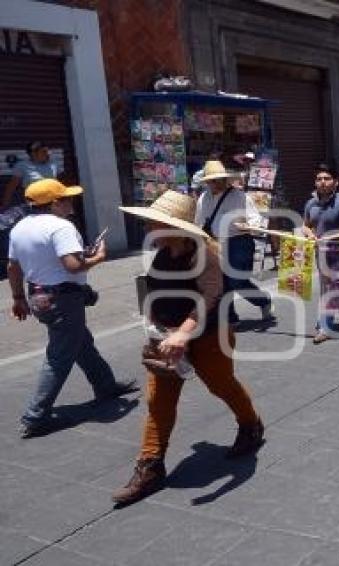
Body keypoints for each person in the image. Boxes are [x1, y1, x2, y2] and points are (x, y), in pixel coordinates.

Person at [113, 191, 265, 506]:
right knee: (158, 400)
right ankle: (150, 466)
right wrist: (155, 328)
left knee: (221, 385)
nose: (147, 229)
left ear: (174, 227)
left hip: (210, 334)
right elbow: (154, 291)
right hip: (168, 339)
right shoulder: (162, 252)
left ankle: (251, 425)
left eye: (153, 223)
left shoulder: (204, 254)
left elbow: (210, 296)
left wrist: (183, 333)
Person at [7, 179, 135, 438]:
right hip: (62, 298)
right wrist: (98, 257)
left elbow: (13, 266)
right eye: (66, 198)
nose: (70, 202)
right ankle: (35, 416)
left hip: (38, 295)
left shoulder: (19, 227)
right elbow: (73, 266)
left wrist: (18, 297)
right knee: (59, 356)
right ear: (54, 203)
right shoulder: (61, 227)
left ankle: (106, 386)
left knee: (81, 343)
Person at [194, 160, 273, 324]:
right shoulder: (204, 198)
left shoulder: (238, 196)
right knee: (221, 282)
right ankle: (230, 317)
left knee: (236, 280)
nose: (218, 183)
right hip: (215, 242)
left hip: (239, 241)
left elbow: (255, 218)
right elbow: (199, 222)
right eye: (213, 180)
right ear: (208, 182)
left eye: (220, 179)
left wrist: (248, 225)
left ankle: (262, 301)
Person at [302, 164, 339, 344]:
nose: (322, 182)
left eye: (326, 179)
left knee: (337, 289)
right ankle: (328, 324)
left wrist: (332, 236)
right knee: (329, 289)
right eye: (319, 179)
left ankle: (328, 324)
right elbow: (305, 224)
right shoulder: (310, 203)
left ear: (336, 182)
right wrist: (309, 233)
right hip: (321, 254)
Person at [2, 141, 62, 210]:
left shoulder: (53, 164)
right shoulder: (22, 166)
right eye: (44, 151)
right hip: (33, 205)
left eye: (47, 151)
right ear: (33, 154)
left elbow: (61, 183)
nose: (48, 154)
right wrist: (5, 205)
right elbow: (11, 186)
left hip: (52, 204)